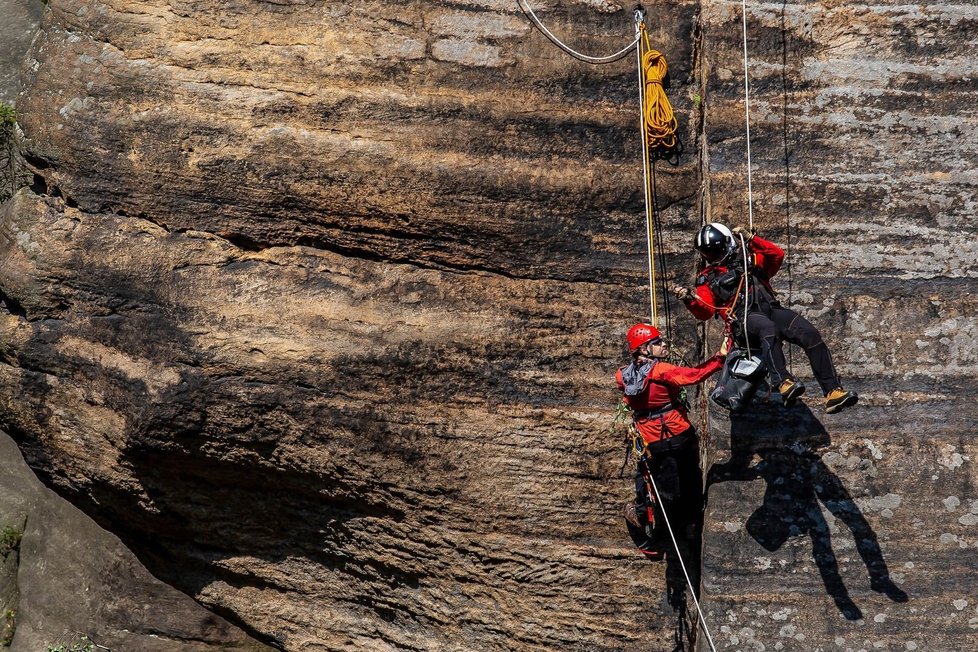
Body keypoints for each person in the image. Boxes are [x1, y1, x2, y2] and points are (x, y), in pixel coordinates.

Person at [672, 223, 857, 413]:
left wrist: (752, 240)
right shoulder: (708, 279)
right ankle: (782, 382)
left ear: (727, 244)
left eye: (716, 251)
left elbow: (777, 255)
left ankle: (832, 392)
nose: (713, 257)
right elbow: (705, 311)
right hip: (743, 321)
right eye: (708, 254)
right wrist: (689, 299)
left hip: (769, 309)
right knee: (768, 328)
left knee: (809, 333)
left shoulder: (750, 260)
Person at [615, 323, 727, 554]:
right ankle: (685, 526)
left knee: (655, 483)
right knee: (688, 479)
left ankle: (655, 523)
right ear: (644, 349)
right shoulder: (662, 371)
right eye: (658, 343)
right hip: (677, 434)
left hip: (649, 440)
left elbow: (629, 396)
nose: (664, 344)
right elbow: (695, 375)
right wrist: (719, 359)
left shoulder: (622, 375)